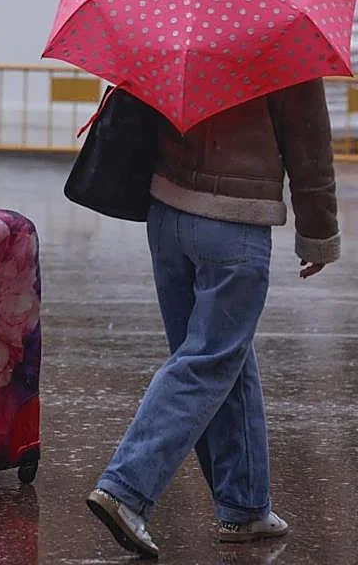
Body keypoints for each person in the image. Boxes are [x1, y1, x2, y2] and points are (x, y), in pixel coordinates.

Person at [87, 78, 340, 558]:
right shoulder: (282, 34)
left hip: (167, 212)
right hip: (233, 224)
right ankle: (126, 488)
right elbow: (309, 143)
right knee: (207, 362)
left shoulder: (173, 18)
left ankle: (244, 507)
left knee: (224, 360)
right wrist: (318, 233)